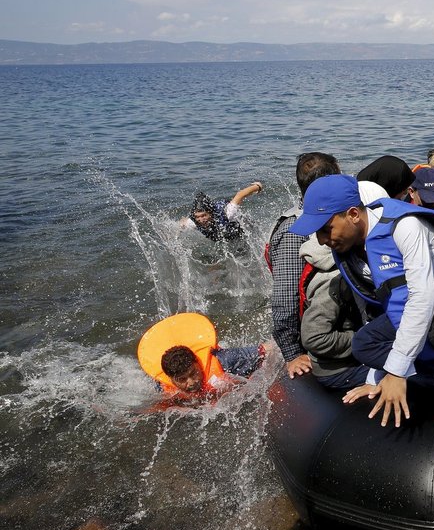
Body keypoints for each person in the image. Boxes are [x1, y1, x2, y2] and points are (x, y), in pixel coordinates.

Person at [290, 175, 434, 429]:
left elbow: (422, 299)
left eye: (325, 229)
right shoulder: (353, 246)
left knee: (375, 346)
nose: (321, 240)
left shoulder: (405, 227)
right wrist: (378, 377)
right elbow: (378, 307)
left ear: (354, 214)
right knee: (364, 343)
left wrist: (397, 372)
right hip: (420, 313)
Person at [266, 153, 341, 379]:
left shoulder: (323, 217)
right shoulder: (295, 231)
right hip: (310, 334)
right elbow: (285, 295)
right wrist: (292, 353)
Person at [137, 312, 269, 399]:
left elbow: (266, 349)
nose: (191, 382)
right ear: (171, 379)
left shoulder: (225, 359)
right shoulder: (162, 386)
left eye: (193, 373)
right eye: (182, 379)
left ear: (197, 363)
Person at [298, 235, 371, 390]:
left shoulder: (348, 268)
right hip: (339, 370)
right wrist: (363, 339)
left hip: (353, 357)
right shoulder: (331, 281)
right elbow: (313, 338)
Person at [182, 182, 263, 242]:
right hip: (227, 236)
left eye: (204, 215)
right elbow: (183, 222)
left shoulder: (228, 213)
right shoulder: (194, 222)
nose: (201, 220)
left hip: (247, 229)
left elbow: (240, 195)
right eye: (197, 217)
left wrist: (258, 186)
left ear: (211, 213)